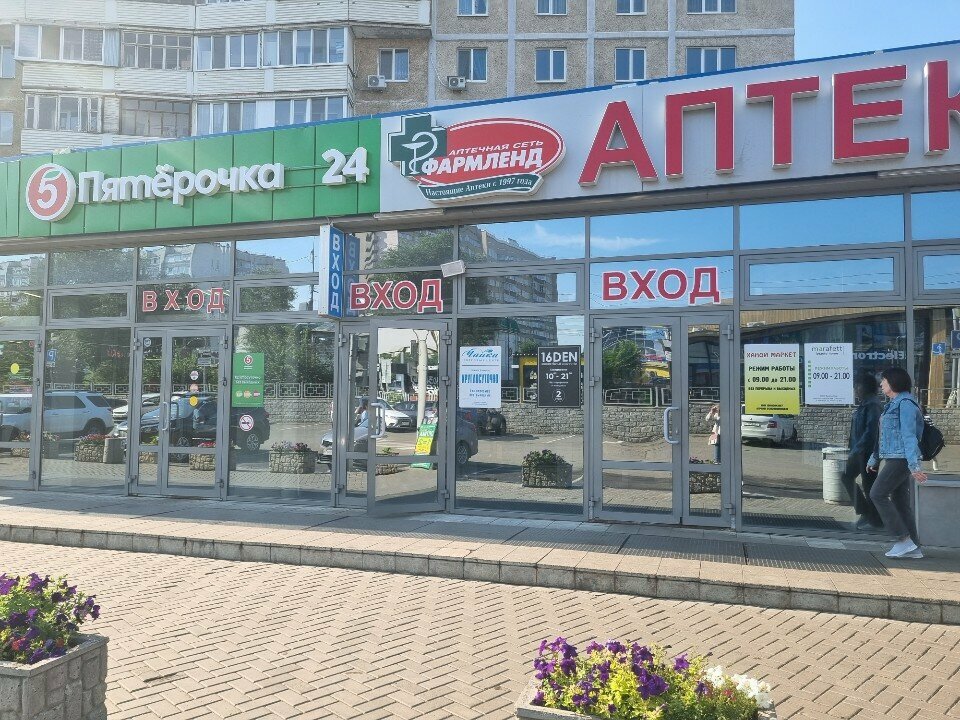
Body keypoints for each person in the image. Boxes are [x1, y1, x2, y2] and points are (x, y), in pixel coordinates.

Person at [866, 367, 928, 559]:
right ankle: (914, 548)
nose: (881, 384)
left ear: (893, 382)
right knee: (900, 502)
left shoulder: (906, 404)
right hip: (894, 456)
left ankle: (903, 540)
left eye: (883, 380)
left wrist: (914, 466)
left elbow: (909, 436)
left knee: (877, 494)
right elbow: (883, 436)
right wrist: (874, 458)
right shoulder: (893, 404)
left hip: (901, 459)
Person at [842, 375, 883, 530]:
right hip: (858, 451)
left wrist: (856, 450)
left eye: (857, 386)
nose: (855, 390)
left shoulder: (873, 405)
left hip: (867, 452)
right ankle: (866, 513)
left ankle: (875, 521)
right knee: (846, 477)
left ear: (864, 387)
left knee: (869, 485)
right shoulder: (865, 403)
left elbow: (871, 433)